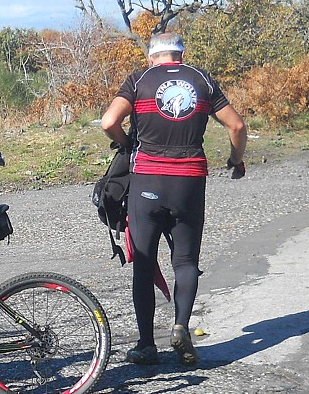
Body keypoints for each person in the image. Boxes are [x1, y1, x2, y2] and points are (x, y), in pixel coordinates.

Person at [101, 32, 247, 367]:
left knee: (145, 262)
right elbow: (236, 126)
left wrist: (126, 144)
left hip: (147, 181)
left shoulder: (139, 79)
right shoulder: (202, 80)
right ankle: (181, 327)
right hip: (189, 182)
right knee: (185, 261)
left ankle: (146, 345)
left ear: (153, 56)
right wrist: (236, 160)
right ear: (180, 55)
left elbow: (109, 121)